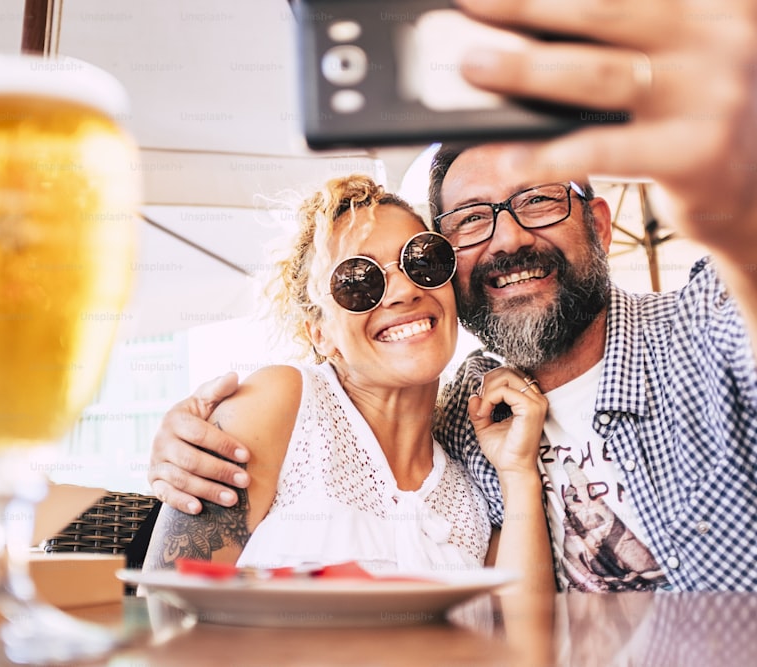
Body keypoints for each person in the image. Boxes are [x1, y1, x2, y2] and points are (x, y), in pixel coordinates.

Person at [146, 0, 757, 591]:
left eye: (538, 199)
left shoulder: (705, 324)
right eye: (469, 220)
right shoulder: (464, 413)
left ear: (598, 224)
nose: (509, 239)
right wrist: (186, 442)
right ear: (317, 328)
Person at [142, 175, 552, 591]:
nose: (404, 291)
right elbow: (163, 603)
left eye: (424, 261)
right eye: (358, 282)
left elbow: (521, 644)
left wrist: (519, 474)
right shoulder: (281, 404)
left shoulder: (474, 488)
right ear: (320, 333)